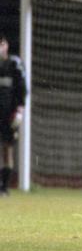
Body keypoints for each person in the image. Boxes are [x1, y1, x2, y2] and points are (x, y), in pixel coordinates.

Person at [0, 33, 27, 196]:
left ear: (6, 45)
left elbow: (22, 88)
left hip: (8, 114)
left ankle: (4, 187)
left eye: (1, 44)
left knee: (7, 148)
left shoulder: (14, 64)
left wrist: (20, 110)